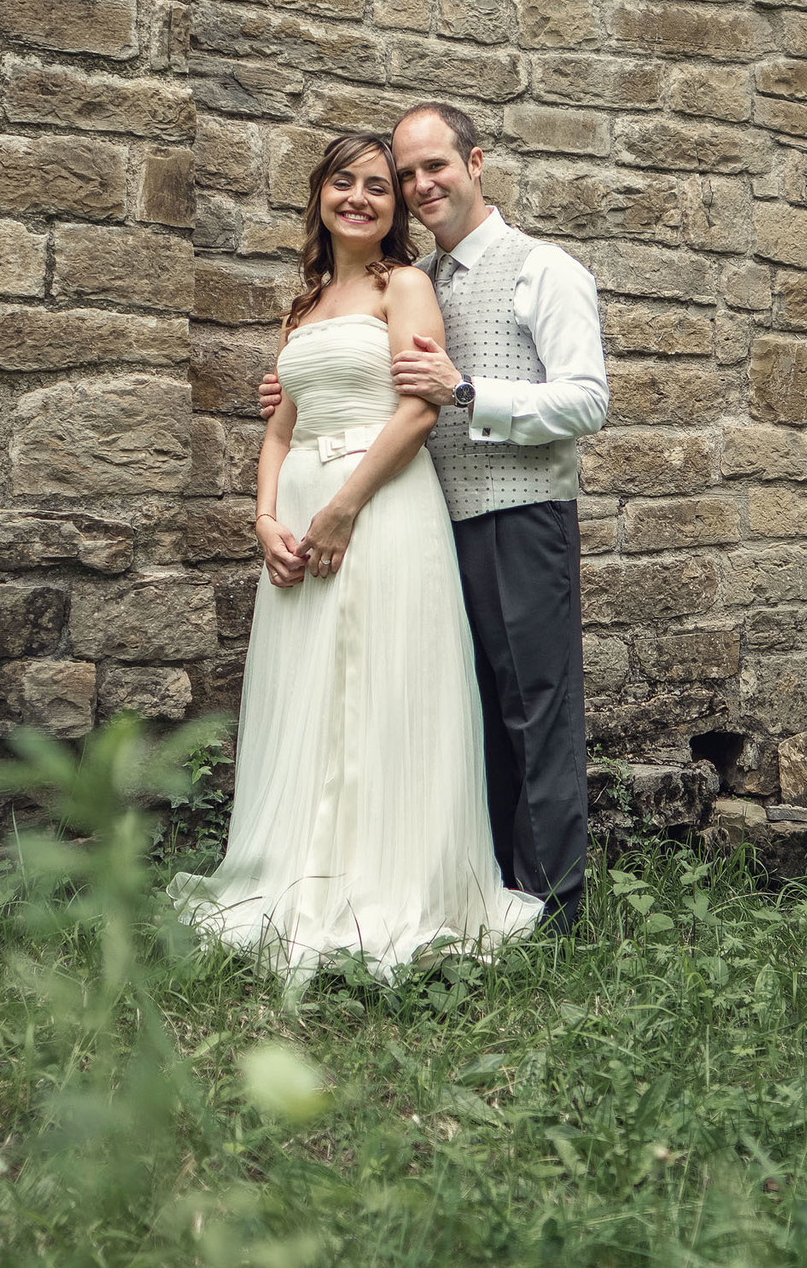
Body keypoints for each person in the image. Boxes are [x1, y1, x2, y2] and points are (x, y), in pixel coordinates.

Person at [169, 130, 540, 979]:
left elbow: (418, 411)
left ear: (396, 208)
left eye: (381, 186)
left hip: (379, 509)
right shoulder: (300, 307)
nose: (363, 198)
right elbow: (281, 423)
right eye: (347, 183)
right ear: (321, 195)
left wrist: (343, 507)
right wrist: (266, 518)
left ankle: (386, 884)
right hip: (301, 518)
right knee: (306, 696)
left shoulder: (404, 286)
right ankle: (296, 872)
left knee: (380, 691)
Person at [259, 102, 610, 933]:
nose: (419, 186)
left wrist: (467, 391)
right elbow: (371, 375)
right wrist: (299, 388)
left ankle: (555, 917)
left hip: (519, 515)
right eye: (407, 174)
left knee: (535, 713)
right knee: (469, 715)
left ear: (475, 162)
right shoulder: (424, 275)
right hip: (427, 523)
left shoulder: (543, 268)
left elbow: (588, 399)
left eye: (432, 168)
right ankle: (488, 885)